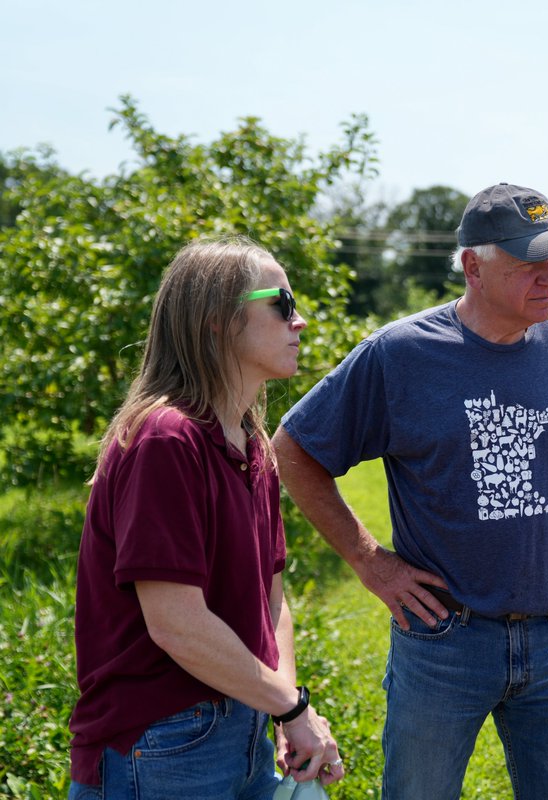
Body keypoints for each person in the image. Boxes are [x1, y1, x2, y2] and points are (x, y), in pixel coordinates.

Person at [272, 182, 548, 800]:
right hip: (444, 641)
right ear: (473, 265)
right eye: (529, 262)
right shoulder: (402, 355)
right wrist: (370, 561)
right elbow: (294, 449)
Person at [68, 237, 344, 799]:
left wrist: (287, 709)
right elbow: (177, 624)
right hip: (162, 739)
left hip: (244, 725)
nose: (302, 321)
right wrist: (291, 707)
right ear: (218, 320)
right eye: (283, 304)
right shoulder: (165, 440)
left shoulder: (252, 445)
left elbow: (273, 599)